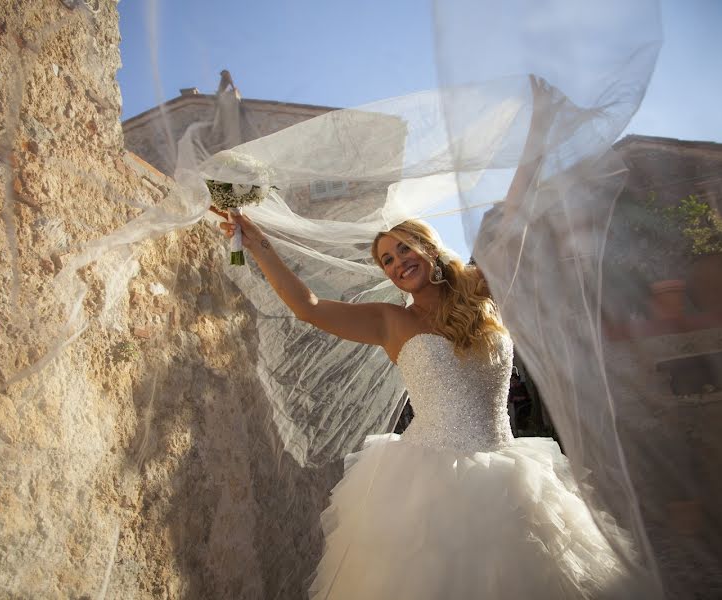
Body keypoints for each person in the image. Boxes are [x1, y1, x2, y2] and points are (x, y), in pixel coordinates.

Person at [211, 209, 652, 599]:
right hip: (426, 480)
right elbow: (307, 307)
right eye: (388, 259)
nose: (399, 261)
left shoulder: (484, 291)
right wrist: (260, 245)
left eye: (405, 249)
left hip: (509, 470)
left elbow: (514, 229)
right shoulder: (390, 320)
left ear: (429, 248)